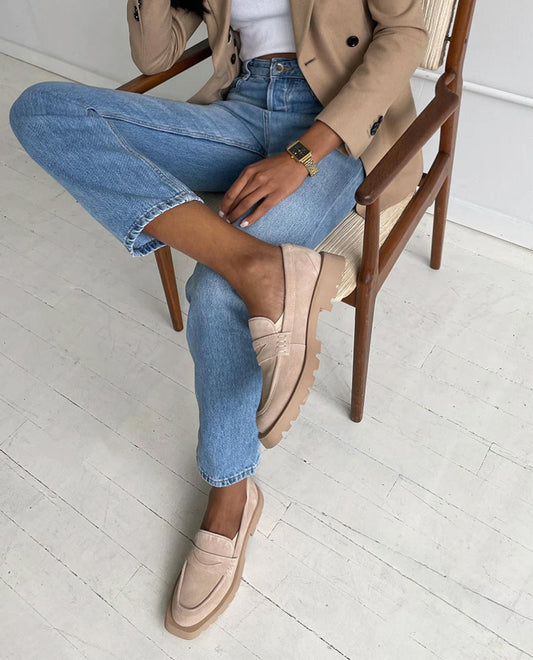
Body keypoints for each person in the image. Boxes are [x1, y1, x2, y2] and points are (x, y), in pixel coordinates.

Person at [9, 0, 428, 640]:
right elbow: (155, 54)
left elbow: (406, 31)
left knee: (214, 293)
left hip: (340, 127)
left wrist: (303, 154)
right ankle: (256, 266)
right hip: (238, 109)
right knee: (41, 109)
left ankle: (231, 495)